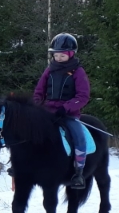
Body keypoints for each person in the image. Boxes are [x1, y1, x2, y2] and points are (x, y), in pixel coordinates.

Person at [33, 33, 90, 189]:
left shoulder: (78, 72)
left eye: (62, 55)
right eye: (56, 55)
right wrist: (37, 105)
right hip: (46, 112)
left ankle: (78, 172)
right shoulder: (49, 70)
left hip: (67, 113)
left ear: (71, 54)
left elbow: (83, 96)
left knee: (79, 137)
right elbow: (39, 91)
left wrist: (66, 108)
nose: (58, 57)